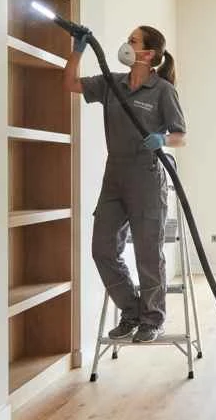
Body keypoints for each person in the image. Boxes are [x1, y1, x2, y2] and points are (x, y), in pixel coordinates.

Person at [65, 25, 187, 342]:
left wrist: (161, 138)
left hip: (146, 175)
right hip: (114, 173)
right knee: (102, 248)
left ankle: (152, 319)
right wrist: (77, 50)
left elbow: (180, 136)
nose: (126, 44)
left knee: (148, 253)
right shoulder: (112, 83)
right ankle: (131, 311)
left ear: (147, 54)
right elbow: (70, 83)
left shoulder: (162, 90)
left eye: (133, 41)